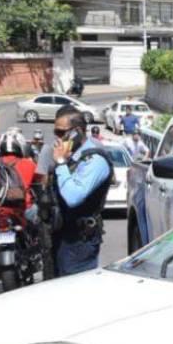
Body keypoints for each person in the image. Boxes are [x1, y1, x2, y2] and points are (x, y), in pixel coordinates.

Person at [49, 105, 112, 276]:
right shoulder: (73, 157)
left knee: (73, 295)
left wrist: (61, 163)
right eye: (56, 132)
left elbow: (73, 197)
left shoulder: (94, 160)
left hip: (79, 242)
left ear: (76, 131)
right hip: (59, 236)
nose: (58, 138)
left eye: (62, 133)